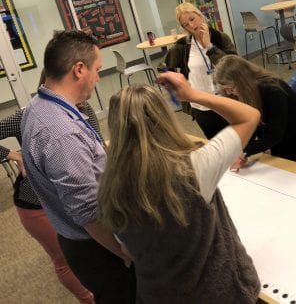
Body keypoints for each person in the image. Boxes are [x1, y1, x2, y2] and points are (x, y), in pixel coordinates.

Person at [98, 75, 262, 303]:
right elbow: (249, 116)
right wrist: (192, 95)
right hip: (216, 294)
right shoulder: (195, 168)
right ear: (163, 117)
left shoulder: (109, 188)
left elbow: (128, 250)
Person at [21, 30, 135, 303]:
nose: (99, 78)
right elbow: (87, 213)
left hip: (79, 239)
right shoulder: (62, 134)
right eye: (97, 70)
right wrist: (124, 252)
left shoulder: (38, 106)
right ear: (79, 69)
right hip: (99, 246)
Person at [0, 102, 95, 303]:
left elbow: (97, 144)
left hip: (72, 196)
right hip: (36, 203)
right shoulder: (27, 116)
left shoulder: (82, 106)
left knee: (88, 246)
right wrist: (16, 156)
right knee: (63, 259)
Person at [214, 55, 296, 166]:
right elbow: (254, 123)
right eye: (225, 89)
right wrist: (243, 150)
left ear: (243, 82)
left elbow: (274, 135)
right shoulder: (247, 93)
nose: (229, 93)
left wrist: (244, 151)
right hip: (285, 134)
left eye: (231, 88)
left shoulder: (271, 89)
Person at [165, 2, 237, 138]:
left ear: (200, 15)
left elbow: (235, 67)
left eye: (192, 19)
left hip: (227, 100)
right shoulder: (182, 47)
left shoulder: (220, 38)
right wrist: (180, 88)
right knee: (216, 144)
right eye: (186, 25)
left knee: (238, 142)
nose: (192, 25)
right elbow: (164, 68)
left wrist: (210, 47)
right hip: (201, 107)